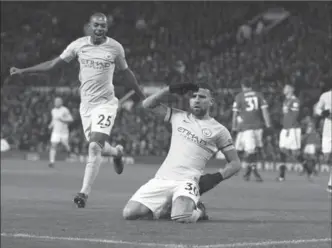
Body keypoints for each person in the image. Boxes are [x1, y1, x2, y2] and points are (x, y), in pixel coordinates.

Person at [10, 13, 145, 208]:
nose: (99, 29)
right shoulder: (78, 45)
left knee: (93, 146)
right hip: (86, 107)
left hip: (106, 104)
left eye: (103, 26)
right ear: (89, 26)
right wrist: (24, 71)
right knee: (97, 146)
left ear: (106, 28)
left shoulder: (115, 48)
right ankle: (116, 153)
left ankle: (83, 193)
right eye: (96, 25)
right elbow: (52, 65)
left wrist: (142, 96)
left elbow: (127, 73)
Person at [122, 83, 241, 223]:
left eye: (202, 97)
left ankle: (199, 211)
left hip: (187, 181)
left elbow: (235, 163)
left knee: (181, 217)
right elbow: (147, 104)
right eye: (193, 96)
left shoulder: (219, 130)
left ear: (211, 102)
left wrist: (215, 178)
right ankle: (165, 208)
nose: (196, 99)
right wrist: (168, 89)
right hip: (162, 179)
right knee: (129, 213)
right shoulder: (178, 116)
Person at [232, 80, 271, 182]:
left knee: (250, 151)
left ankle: (253, 172)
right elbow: (265, 111)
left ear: (242, 86)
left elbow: (235, 114)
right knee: (254, 150)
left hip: (247, 127)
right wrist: (268, 124)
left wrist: (234, 127)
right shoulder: (259, 95)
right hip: (258, 126)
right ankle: (248, 172)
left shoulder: (239, 96)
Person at [277, 83, 301, 181]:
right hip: (285, 128)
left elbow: (295, 116)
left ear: (291, 90)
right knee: (282, 149)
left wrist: (288, 129)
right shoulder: (286, 101)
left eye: (286, 88)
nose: (284, 89)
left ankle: (308, 168)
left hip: (292, 129)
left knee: (295, 152)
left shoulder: (295, 101)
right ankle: (282, 175)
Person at [314, 88, 332, 192]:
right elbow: (317, 108)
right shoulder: (326, 95)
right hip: (328, 131)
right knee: (327, 157)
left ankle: (330, 184)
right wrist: (323, 113)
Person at [48, 97, 73, 168]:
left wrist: (62, 120)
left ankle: (69, 152)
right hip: (56, 131)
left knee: (65, 144)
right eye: (55, 101)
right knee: (53, 145)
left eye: (58, 102)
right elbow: (54, 120)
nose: (56, 103)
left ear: (61, 103)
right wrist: (50, 125)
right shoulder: (53, 111)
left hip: (64, 132)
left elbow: (71, 119)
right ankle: (51, 162)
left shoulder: (65, 110)